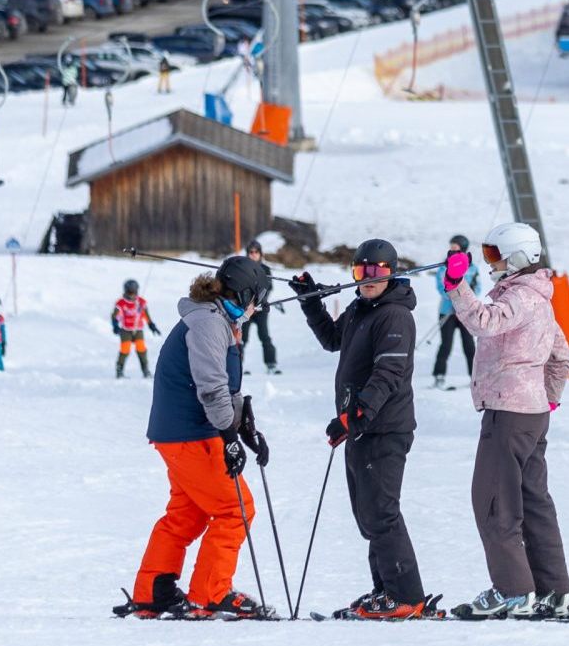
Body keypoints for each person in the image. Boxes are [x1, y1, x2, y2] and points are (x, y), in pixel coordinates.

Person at [113, 257, 272, 620]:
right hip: (189, 433)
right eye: (256, 296)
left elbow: (222, 387)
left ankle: (155, 590)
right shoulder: (209, 325)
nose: (257, 305)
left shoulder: (217, 321)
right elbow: (211, 388)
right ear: (243, 291)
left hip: (183, 431)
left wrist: (244, 425)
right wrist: (229, 436)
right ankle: (211, 593)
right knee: (236, 508)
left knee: (188, 513)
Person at [288, 239, 428, 619]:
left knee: (381, 513)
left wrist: (355, 416)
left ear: (392, 274)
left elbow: (389, 374)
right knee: (368, 515)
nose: (367, 279)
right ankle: (386, 589)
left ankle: (405, 595)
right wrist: (311, 302)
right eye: (360, 272)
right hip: (363, 427)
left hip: (384, 428)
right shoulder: (361, 308)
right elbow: (333, 340)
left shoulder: (395, 316)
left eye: (377, 272)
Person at [444, 223, 569, 620]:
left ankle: (514, 591)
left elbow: (483, 321)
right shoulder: (540, 299)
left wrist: (455, 285)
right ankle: (554, 590)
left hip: (509, 413)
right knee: (533, 501)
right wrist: (547, 399)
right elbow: (561, 355)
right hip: (530, 415)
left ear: (516, 257)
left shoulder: (519, 299)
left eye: (495, 255)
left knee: (495, 501)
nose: (490, 262)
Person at [432, 234, 480, 389]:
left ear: (463, 248)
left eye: (455, 247)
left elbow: (477, 288)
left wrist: (465, 298)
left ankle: (474, 377)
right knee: (446, 344)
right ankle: (439, 375)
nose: (452, 250)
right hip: (447, 312)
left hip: (465, 312)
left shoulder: (472, 268)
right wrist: (453, 298)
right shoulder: (443, 267)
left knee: (469, 344)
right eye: (451, 247)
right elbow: (441, 287)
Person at [241, 240, 280, 374]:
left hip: (260, 309)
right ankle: (237, 365)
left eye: (256, 252)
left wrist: (258, 301)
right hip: (246, 310)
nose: (253, 254)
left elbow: (268, 288)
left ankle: (271, 364)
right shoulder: (242, 268)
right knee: (241, 338)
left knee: (264, 336)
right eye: (250, 252)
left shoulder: (266, 269)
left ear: (260, 254)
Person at [112, 279, 160, 379]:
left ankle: (145, 370)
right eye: (130, 292)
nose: (132, 295)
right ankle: (119, 370)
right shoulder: (121, 303)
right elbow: (114, 316)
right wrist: (115, 325)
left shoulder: (141, 303)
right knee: (125, 349)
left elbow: (146, 316)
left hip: (138, 330)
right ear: (125, 291)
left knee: (141, 348)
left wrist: (152, 325)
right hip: (126, 330)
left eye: (134, 292)